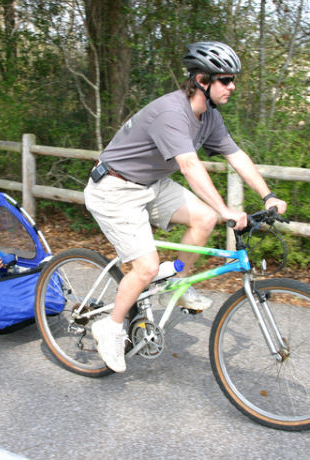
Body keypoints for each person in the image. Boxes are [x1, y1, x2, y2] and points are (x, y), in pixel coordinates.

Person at [84, 41, 287, 372]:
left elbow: (237, 156)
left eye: (233, 80)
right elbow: (190, 167)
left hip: (150, 184)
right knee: (146, 268)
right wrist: (226, 210)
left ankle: (176, 286)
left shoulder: (209, 117)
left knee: (204, 218)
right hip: (114, 187)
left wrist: (268, 195)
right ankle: (110, 326)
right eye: (226, 80)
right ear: (202, 80)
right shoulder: (172, 113)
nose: (232, 87)